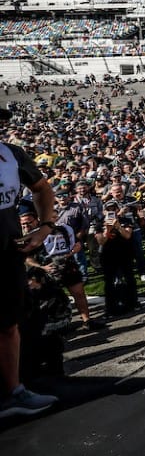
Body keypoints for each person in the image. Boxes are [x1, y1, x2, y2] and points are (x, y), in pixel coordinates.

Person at [0, 139, 60, 418]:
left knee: (8, 325)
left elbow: (41, 188)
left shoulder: (11, 153)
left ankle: (14, 392)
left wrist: (45, 225)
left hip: (6, 253)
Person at [19, 200, 101, 330]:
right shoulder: (27, 237)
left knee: (79, 293)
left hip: (67, 265)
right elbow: (26, 258)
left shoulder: (64, 228)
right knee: (47, 300)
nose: (26, 226)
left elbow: (77, 244)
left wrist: (71, 252)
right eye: (23, 224)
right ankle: (50, 326)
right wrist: (42, 267)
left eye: (29, 222)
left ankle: (87, 320)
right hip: (45, 270)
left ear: (37, 220)